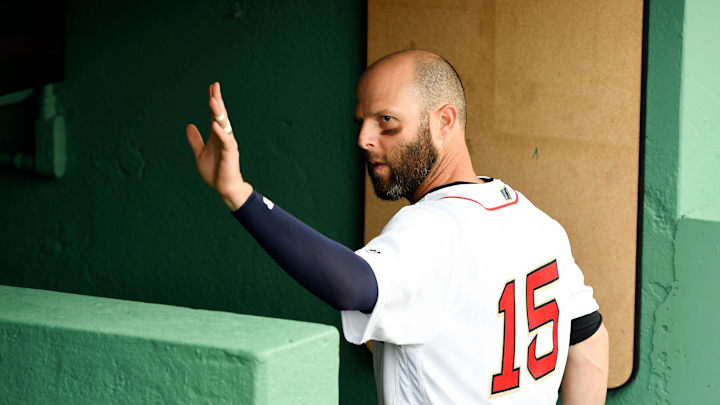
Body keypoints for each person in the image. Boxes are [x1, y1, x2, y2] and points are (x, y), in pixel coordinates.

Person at [186, 50, 609, 404]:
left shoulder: (431, 228)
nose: (365, 139)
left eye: (386, 121)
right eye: (362, 122)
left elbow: (351, 284)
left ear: (445, 121)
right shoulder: (536, 223)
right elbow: (588, 344)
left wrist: (238, 194)